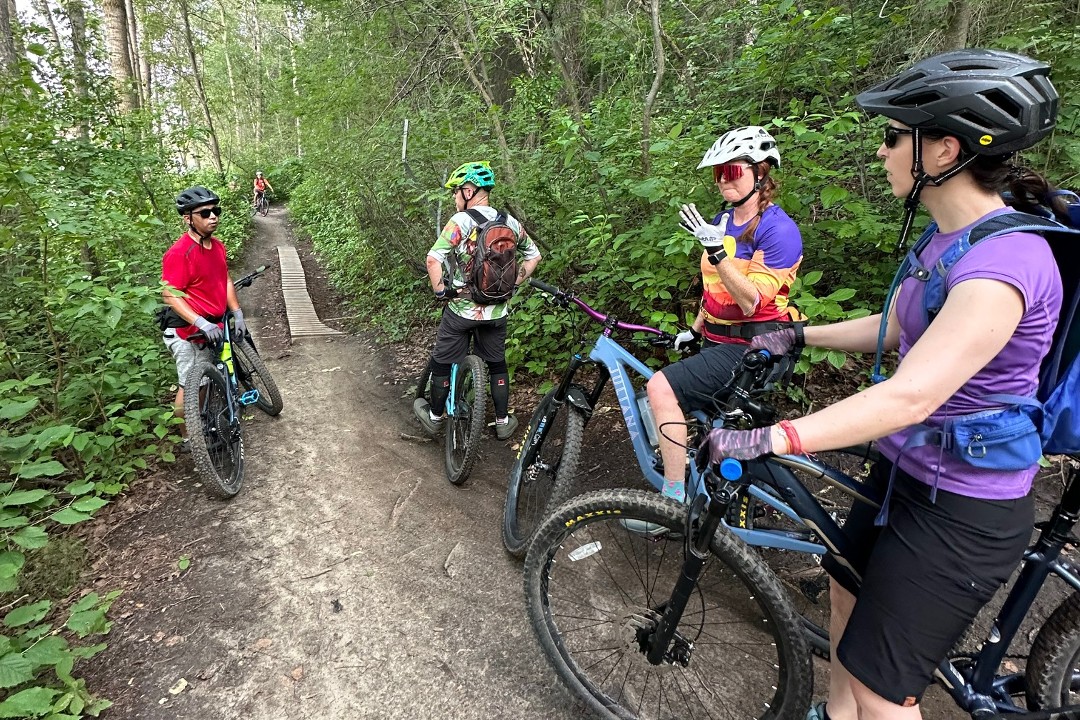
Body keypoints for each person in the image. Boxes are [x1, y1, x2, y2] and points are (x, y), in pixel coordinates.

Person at [706, 49, 1063, 719]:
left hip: (960, 504)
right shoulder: (949, 238)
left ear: (944, 148)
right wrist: (800, 334)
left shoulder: (1005, 263)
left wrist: (771, 437)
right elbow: (901, 323)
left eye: (894, 137)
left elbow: (911, 394)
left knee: (883, 692)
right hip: (907, 471)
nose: (881, 152)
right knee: (844, 587)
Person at [646, 126, 804, 501]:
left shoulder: (778, 230)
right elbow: (713, 289)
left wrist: (718, 253)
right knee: (708, 421)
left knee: (660, 387)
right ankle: (718, 486)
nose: (722, 180)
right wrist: (696, 328)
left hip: (756, 345)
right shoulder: (721, 222)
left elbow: (752, 301)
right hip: (720, 340)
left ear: (761, 172)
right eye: (718, 173)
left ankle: (672, 498)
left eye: (731, 171)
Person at [413, 161, 542, 441]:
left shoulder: (461, 222)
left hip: (462, 309)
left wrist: (439, 291)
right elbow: (534, 256)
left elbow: (433, 258)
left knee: (443, 361)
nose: (454, 197)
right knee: (496, 363)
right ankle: (502, 420)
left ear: (469, 191)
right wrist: (516, 282)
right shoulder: (509, 222)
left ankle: (435, 417)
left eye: (456, 191)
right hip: (497, 310)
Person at [161, 186, 247, 439]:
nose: (213, 216)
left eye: (216, 211)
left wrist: (237, 311)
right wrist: (200, 322)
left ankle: (208, 413)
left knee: (207, 378)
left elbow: (225, 279)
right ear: (188, 218)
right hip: (186, 330)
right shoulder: (179, 253)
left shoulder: (218, 246)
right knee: (190, 385)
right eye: (205, 212)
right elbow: (169, 294)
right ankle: (189, 437)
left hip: (214, 323)